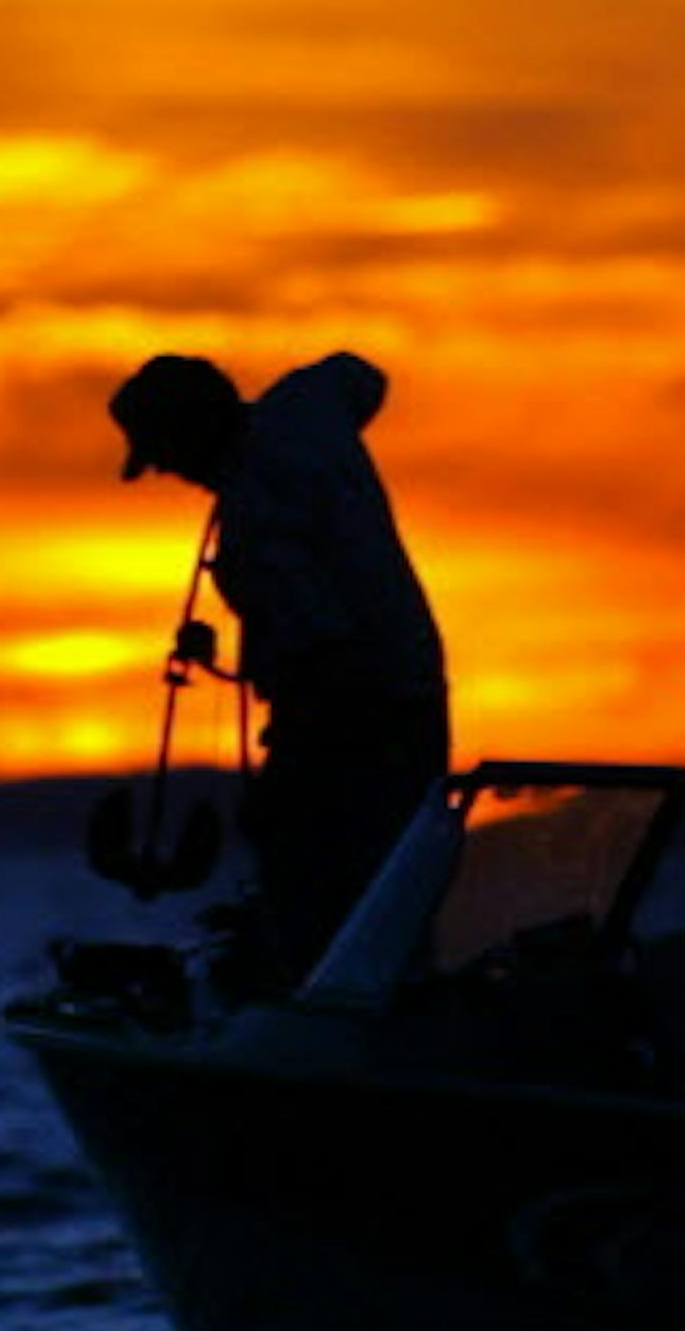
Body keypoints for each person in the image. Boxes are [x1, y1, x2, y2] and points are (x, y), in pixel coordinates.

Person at [108, 346, 449, 978]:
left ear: (189, 438)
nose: (175, 475)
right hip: (418, 686)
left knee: (314, 875)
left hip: (354, 716)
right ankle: (388, 996)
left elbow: (320, 652)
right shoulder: (306, 407)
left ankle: (320, 1019)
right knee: (392, 880)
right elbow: (362, 375)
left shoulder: (254, 531)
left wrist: (280, 786)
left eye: (169, 457)